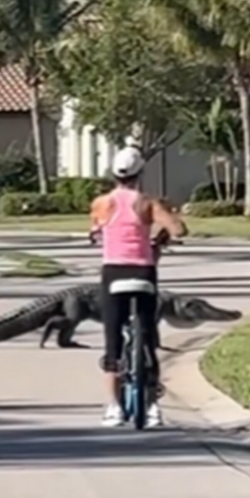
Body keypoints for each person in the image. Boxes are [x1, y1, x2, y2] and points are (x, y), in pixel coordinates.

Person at [89, 146, 187, 427]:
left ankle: (114, 407)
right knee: (147, 335)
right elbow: (179, 229)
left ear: (114, 174)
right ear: (139, 173)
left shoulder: (101, 203)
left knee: (113, 340)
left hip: (113, 272)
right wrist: (160, 240)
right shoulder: (147, 203)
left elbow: (95, 230)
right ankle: (153, 406)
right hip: (143, 271)